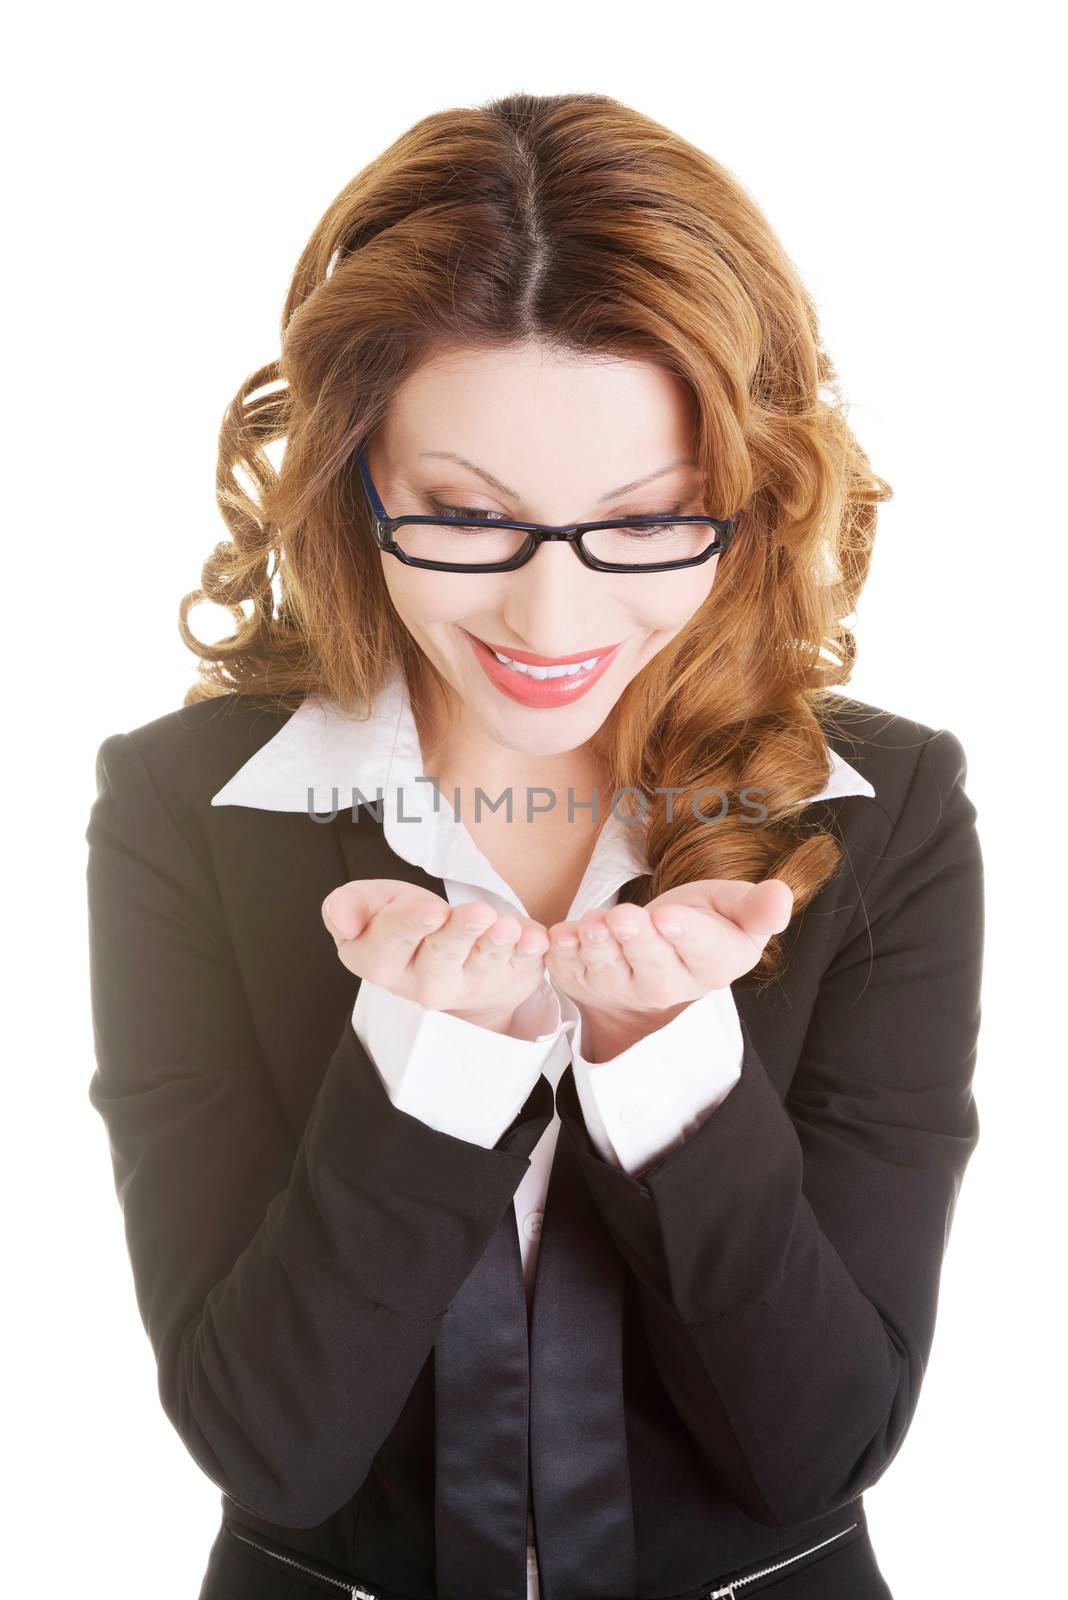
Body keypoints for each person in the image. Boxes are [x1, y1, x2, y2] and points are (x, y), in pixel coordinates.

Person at [85, 90, 984, 1600]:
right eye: (466, 516)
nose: (551, 624)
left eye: (646, 523)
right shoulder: (186, 812)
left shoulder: (881, 809)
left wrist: (665, 1065)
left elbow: (821, 1447)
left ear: (748, 497)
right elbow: (269, 1444)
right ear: (348, 470)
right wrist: (428, 1070)